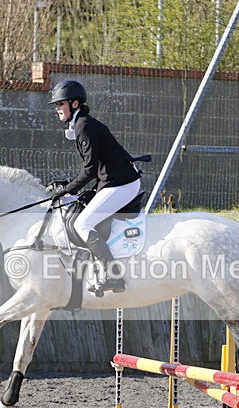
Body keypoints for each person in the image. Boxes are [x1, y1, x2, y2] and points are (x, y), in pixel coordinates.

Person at [46, 80, 141, 295]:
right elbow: (93, 167)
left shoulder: (84, 126)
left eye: (60, 104)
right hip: (111, 180)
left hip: (123, 183)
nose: (57, 109)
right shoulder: (81, 124)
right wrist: (68, 184)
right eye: (56, 105)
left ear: (75, 103)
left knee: (82, 223)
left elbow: (89, 171)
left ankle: (113, 276)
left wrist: (67, 189)